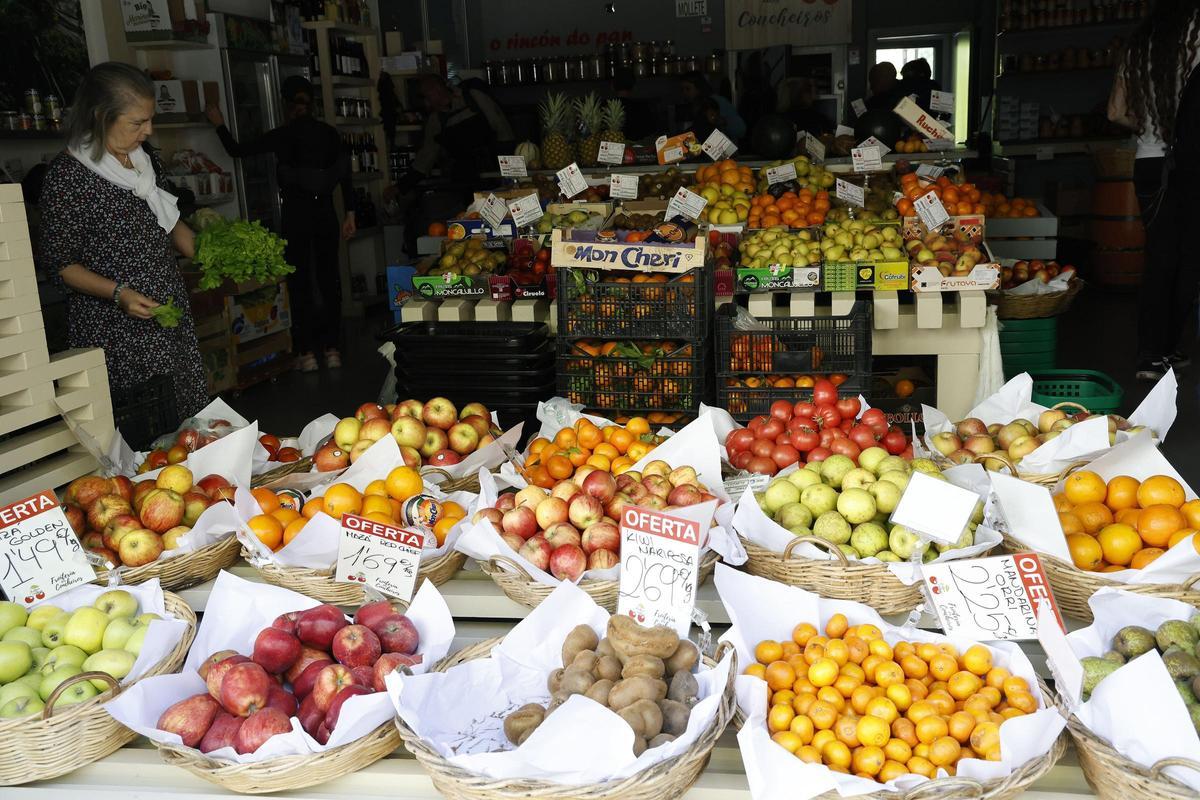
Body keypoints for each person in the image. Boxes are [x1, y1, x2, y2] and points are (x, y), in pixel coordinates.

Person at [38, 62, 209, 420]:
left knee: (188, 424)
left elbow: (167, 218)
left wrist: (210, 256)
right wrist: (120, 294)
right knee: (144, 429)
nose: (148, 130)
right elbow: (62, 266)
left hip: (167, 314)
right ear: (101, 116)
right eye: (137, 122)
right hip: (115, 331)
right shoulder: (67, 178)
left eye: (150, 119)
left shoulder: (144, 162)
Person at [206, 76, 354, 373]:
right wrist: (350, 214)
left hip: (296, 215)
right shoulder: (329, 133)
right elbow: (345, 175)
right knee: (329, 280)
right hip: (326, 213)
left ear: (286, 105)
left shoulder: (284, 135)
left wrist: (218, 123)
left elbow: (236, 150)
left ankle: (306, 354)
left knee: (299, 282)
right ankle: (332, 350)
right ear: (312, 103)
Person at [1107, 0, 1200, 380]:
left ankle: (1150, 356)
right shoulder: (1195, 39)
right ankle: (1168, 347)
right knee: (1189, 260)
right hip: (1190, 163)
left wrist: (1149, 126)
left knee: (1159, 258)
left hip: (1148, 163)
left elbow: (1115, 112)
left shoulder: (1138, 45)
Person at [680, 71, 746, 142]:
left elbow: (741, 129)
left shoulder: (717, 101)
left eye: (688, 89)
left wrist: (719, 120)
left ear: (699, 87)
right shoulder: (692, 105)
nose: (684, 93)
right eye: (682, 89)